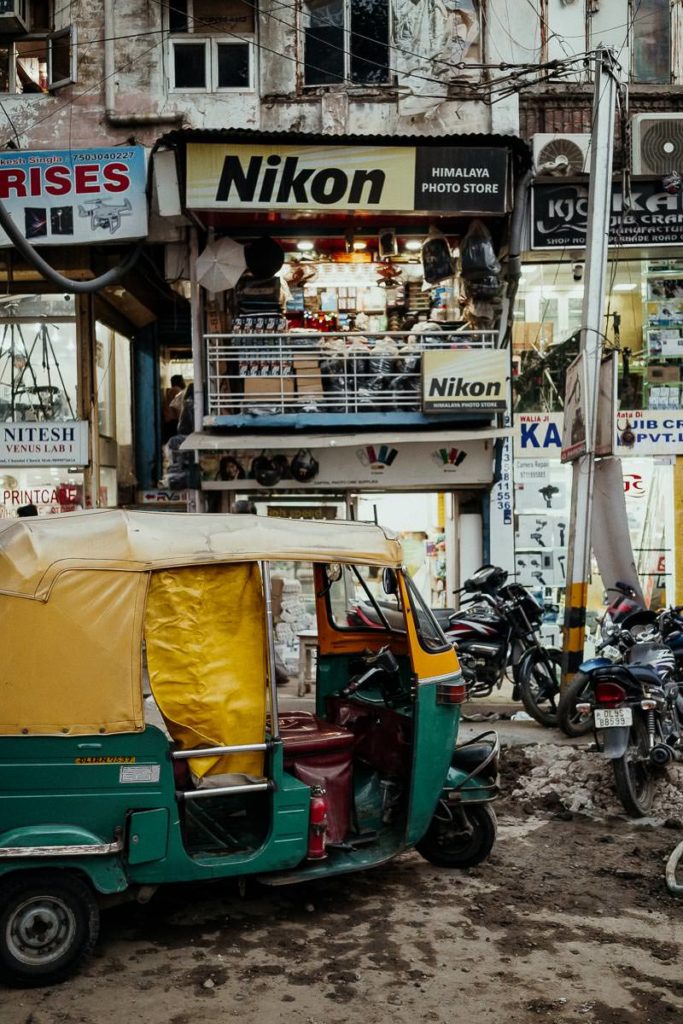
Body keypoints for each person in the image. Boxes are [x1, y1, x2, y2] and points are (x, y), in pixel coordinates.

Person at [162, 374, 185, 444]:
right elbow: (177, 408)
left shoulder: (172, 390)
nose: (184, 382)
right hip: (172, 422)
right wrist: (181, 419)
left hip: (169, 422)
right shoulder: (176, 390)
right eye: (182, 380)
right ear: (180, 382)